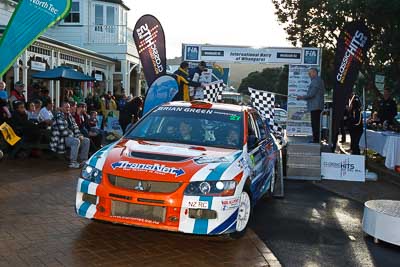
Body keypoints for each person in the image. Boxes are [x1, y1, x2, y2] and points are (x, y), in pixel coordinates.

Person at [49, 102, 90, 168]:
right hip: (60, 139)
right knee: (76, 141)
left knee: (86, 140)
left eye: (68, 107)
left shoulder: (70, 116)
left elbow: (75, 127)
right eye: (66, 107)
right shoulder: (58, 116)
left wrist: (79, 135)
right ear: (61, 108)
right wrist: (76, 136)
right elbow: (63, 131)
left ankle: (83, 160)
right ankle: (72, 162)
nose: (68, 108)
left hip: (69, 137)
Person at [297, 68, 325, 143]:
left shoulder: (316, 81)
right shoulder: (318, 80)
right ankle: (316, 139)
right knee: (316, 124)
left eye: (310, 73)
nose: (309, 75)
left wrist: (302, 97)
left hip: (316, 107)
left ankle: (316, 140)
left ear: (315, 73)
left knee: (315, 124)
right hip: (317, 106)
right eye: (309, 74)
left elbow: (312, 94)